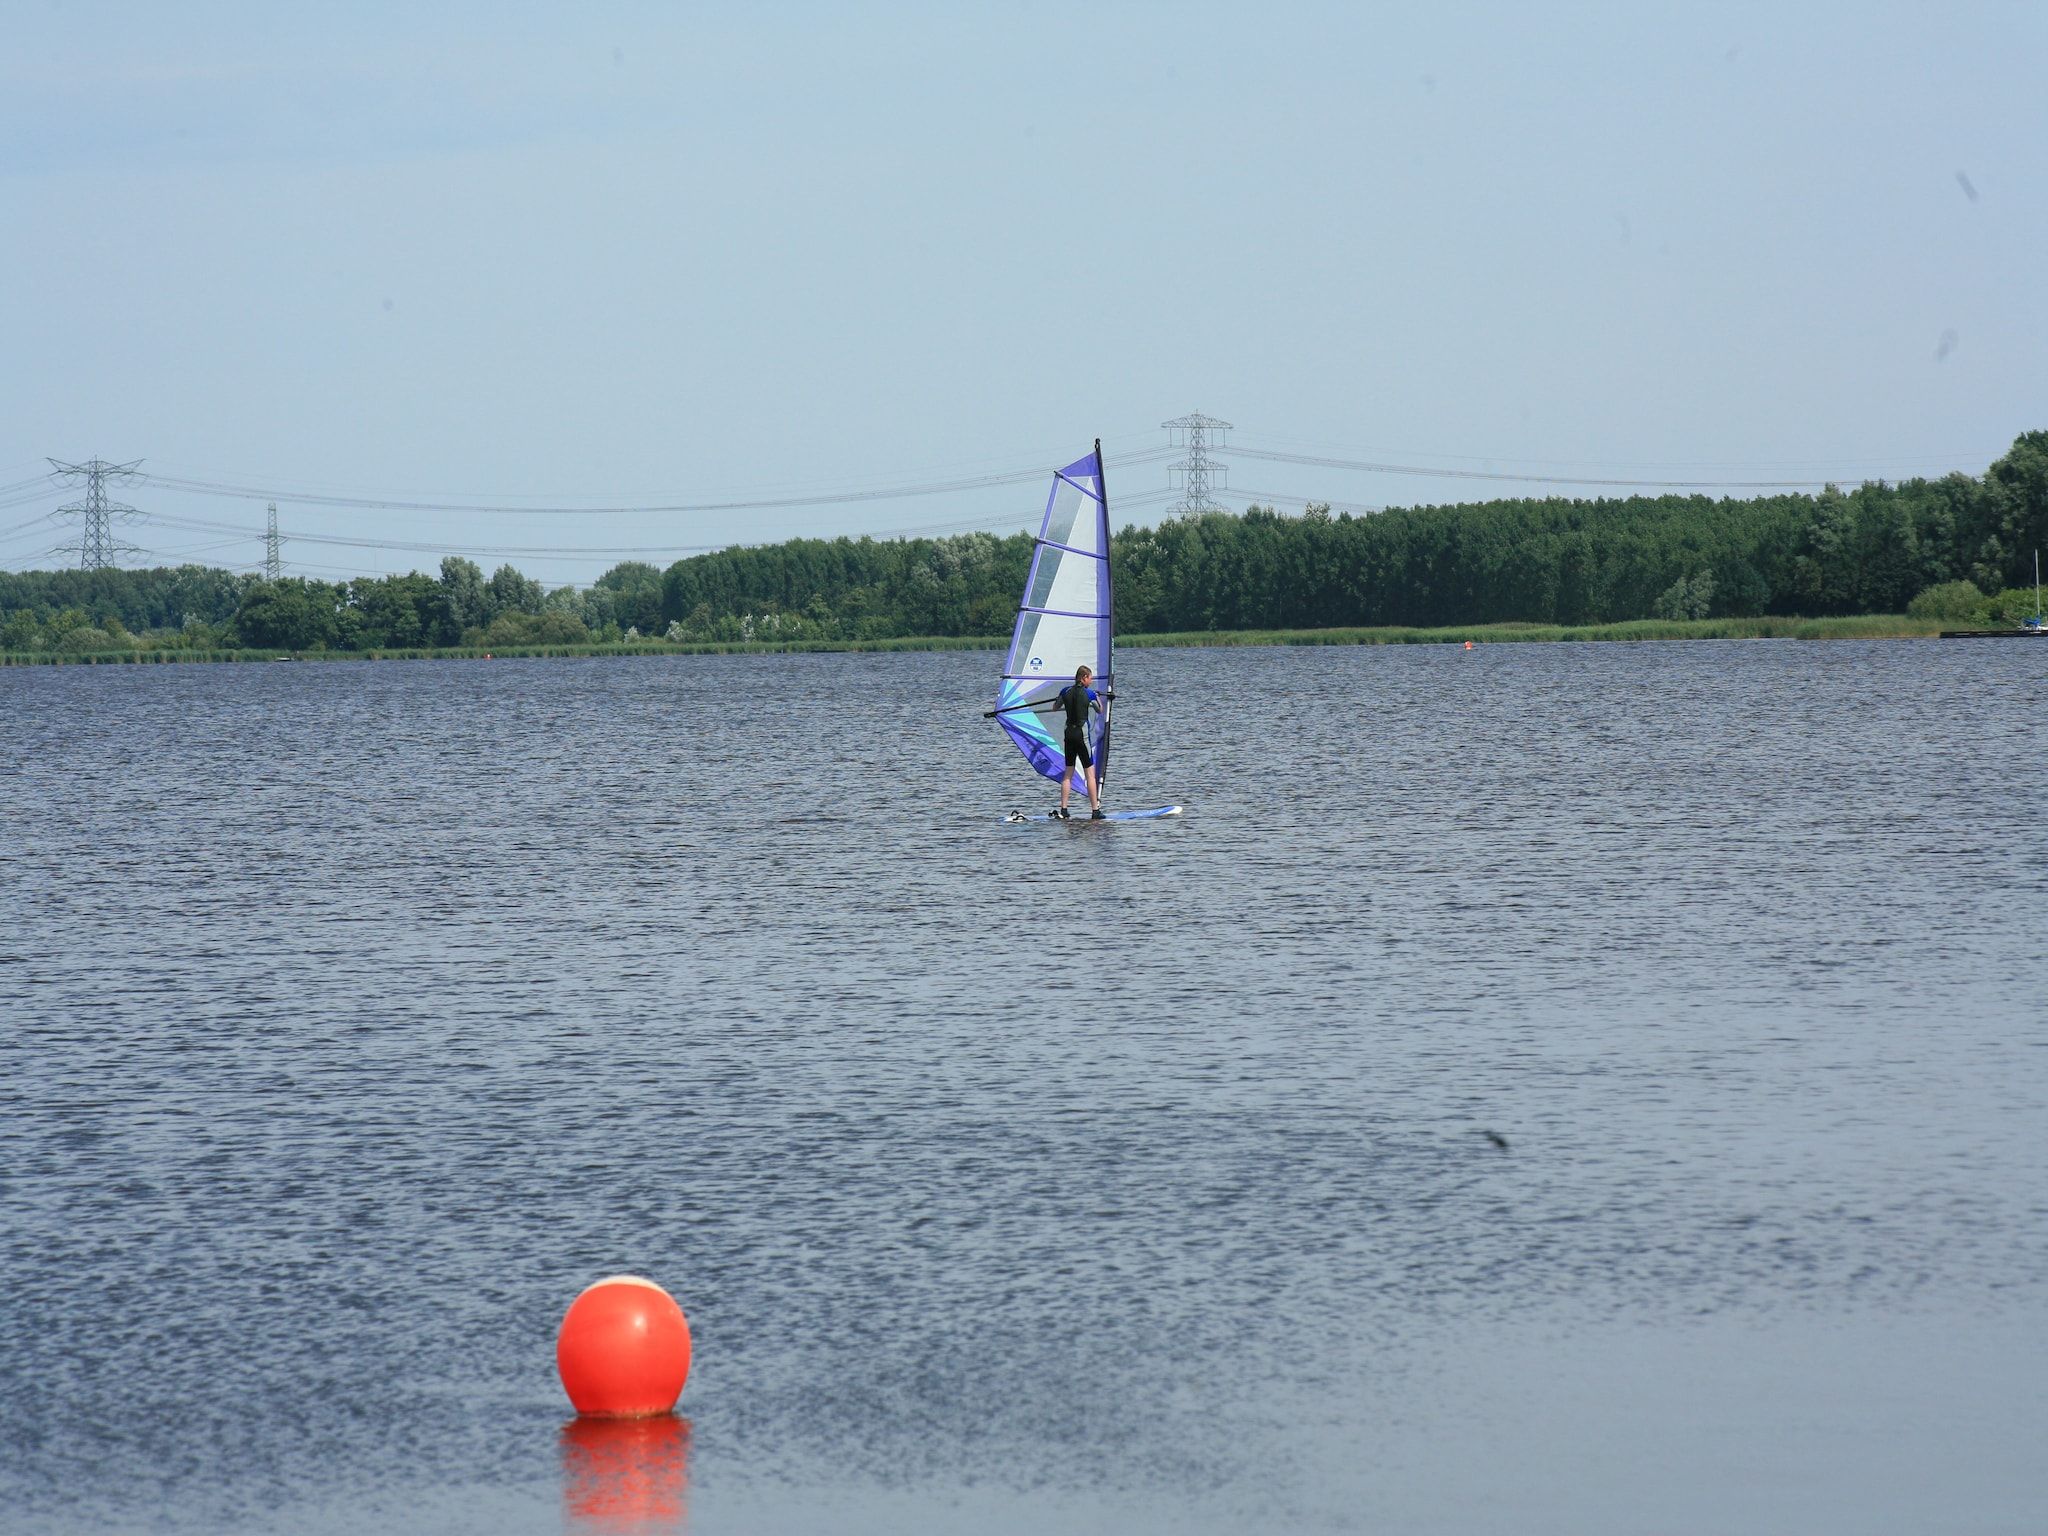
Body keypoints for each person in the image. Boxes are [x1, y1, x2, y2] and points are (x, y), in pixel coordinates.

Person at [1054, 664, 1107, 819]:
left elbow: (1055, 707)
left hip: (1068, 735)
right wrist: (1096, 697)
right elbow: (1100, 710)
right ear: (1083, 678)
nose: (1090, 681)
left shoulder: (1065, 692)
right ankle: (1095, 811)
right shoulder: (1089, 694)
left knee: (1067, 774)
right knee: (1090, 775)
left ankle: (1064, 810)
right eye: (1090, 678)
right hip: (1081, 737)